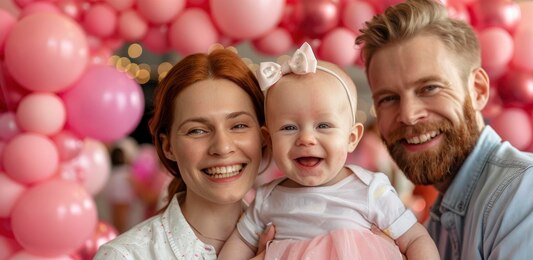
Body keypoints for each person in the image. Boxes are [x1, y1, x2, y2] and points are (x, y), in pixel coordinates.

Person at [356, 0, 533, 259]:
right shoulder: (435, 227)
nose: (409, 115)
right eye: (388, 98)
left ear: (478, 90)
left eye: (429, 88)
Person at [219, 42, 440, 260]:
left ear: (351, 138)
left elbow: (415, 239)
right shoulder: (267, 199)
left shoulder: (370, 190)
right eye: (289, 127)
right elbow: (239, 243)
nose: (306, 138)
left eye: (323, 126)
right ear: (269, 139)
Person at [95, 47, 272, 259]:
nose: (223, 147)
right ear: (168, 146)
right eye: (197, 130)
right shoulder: (126, 256)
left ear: (263, 135)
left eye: (239, 126)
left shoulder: (295, 237)